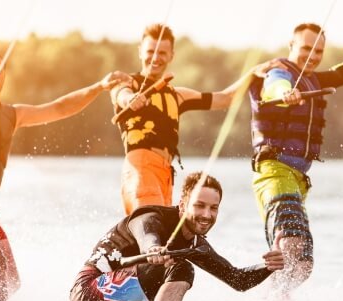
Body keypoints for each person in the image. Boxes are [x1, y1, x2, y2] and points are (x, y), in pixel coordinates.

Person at [70, 172, 284, 301]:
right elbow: (147, 235)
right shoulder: (151, 217)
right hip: (89, 295)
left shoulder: (196, 245)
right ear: (182, 205)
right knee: (181, 268)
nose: (206, 215)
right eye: (199, 206)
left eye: (213, 208)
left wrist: (268, 266)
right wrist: (152, 249)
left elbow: (238, 280)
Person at [0, 48, 130, 301]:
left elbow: (60, 108)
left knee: (11, 278)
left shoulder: (11, 115)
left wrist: (99, 86)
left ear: (4, 76)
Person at [249, 23, 343, 293]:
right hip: (274, 172)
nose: (312, 55)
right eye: (306, 48)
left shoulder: (314, 79)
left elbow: (342, 73)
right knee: (291, 244)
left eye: (318, 51)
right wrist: (284, 94)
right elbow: (275, 87)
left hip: (297, 181)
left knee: (303, 263)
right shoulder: (279, 72)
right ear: (291, 46)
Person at [111, 23, 278, 214]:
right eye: (150, 51)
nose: (156, 58)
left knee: (160, 228)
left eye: (162, 53)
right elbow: (121, 95)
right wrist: (130, 98)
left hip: (166, 172)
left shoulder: (178, 95)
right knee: (150, 223)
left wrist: (251, 74)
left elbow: (224, 98)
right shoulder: (128, 83)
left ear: (171, 55)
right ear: (140, 51)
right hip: (141, 166)